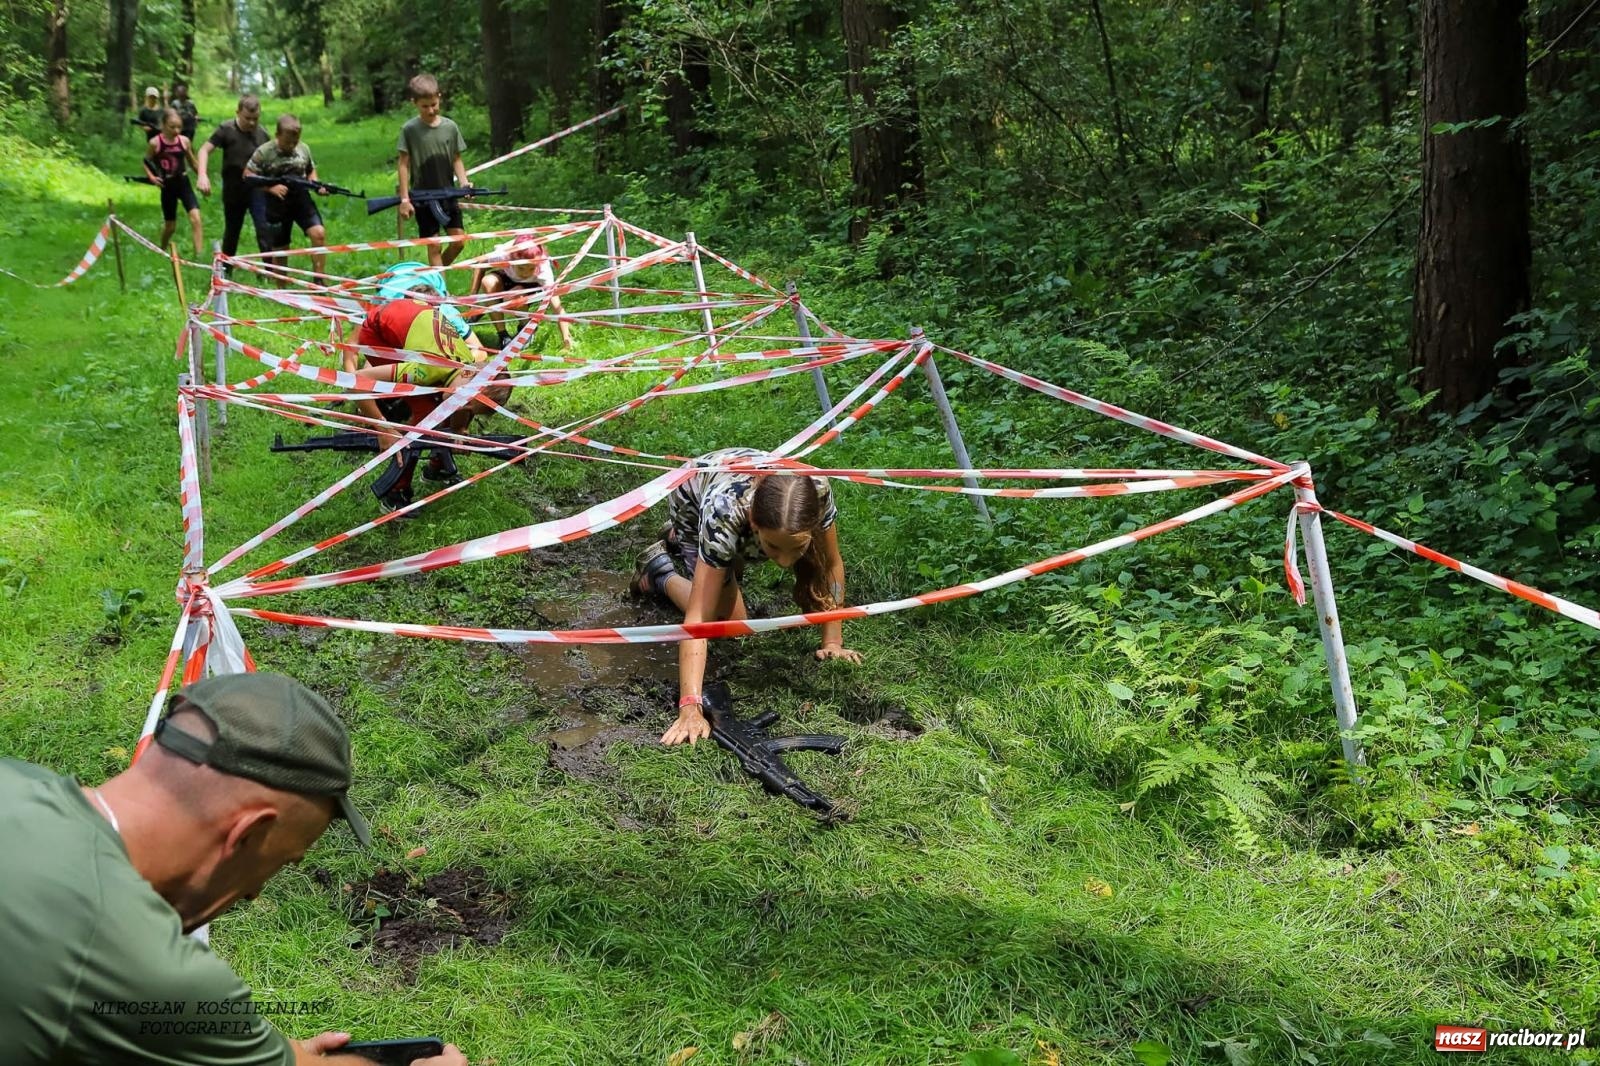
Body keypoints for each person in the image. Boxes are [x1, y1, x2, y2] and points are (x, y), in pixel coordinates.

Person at [0, 673, 467, 1066]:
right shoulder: (144, 962)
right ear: (245, 833)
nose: (255, 894)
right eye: (278, 864)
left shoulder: (17, 780)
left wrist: (270, 1051)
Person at [634, 448, 863, 746]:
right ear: (754, 523)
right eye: (774, 547)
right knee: (728, 622)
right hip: (695, 498)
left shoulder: (815, 491)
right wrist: (690, 707)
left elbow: (831, 564)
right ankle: (658, 572)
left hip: (738, 505)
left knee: (731, 575)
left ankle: (702, 549)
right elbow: (698, 620)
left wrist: (832, 642)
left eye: (797, 548)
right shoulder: (723, 512)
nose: (783, 562)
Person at [353, 273, 510, 512]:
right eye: (466, 402)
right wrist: (383, 429)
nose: (462, 406)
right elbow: (357, 380)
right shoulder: (427, 369)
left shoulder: (467, 368)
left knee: (440, 412)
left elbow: (462, 405)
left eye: (469, 410)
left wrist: (459, 429)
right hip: (378, 332)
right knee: (425, 416)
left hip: (411, 318)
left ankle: (437, 466)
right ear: (469, 377)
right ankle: (395, 493)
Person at [395, 74, 470, 268]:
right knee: (434, 246)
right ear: (415, 103)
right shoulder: (409, 129)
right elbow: (403, 164)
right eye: (425, 106)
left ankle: (430, 276)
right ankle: (440, 293)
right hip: (422, 196)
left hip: (448, 193)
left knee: (459, 241)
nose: (431, 110)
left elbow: (456, 158)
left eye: (434, 104)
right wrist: (405, 200)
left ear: (439, 97)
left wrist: (464, 183)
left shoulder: (450, 127)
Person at [244, 114, 329, 283]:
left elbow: (310, 169)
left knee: (318, 233)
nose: (291, 145)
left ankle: (319, 281)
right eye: (287, 141)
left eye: (295, 142)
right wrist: (270, 188)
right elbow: (247, 175)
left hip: (301, 199)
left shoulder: (303, 149)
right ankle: (281, 288)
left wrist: (316, 185)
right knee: (281, 247)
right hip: (277, 202)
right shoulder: (264, 152)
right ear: (277, 135)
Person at [197, 95, 271, 261]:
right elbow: (204, 150)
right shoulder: (226, 129)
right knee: (232, 230)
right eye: (247, 118)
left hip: (257, 188)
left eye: (255, 119)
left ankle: (271, 272)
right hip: (233, 188)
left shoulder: (263, 134)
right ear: (238, 112)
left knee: (263, 228)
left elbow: (272, 159)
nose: (252, 123)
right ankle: (226, 269)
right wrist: (202, 175)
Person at [470, 235, 574, 350]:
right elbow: (480, 263)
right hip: (507, 278)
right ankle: (503, 336)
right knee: (488, 281)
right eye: (521, 268)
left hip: (528, 288)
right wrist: (472, 298)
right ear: (512, 259)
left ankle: (526, 328)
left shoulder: (543, 269)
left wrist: (566, 337)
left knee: (516, 295)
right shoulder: (504, 254)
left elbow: (556, 306)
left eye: (531, 268)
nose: (526, 273)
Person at [143, 108, 205, 256]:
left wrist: (202, 177)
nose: (176, 130)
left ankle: (199, 256)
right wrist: (151, 177)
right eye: (172, 127)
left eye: (179, 127)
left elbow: (192, 162)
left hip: (183, 183)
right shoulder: (155, 143)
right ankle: (162, 249)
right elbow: (146, 161)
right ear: (163, 125)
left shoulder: (184, 142)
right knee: (171, 226)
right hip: (167, 186)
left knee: (196, 218)